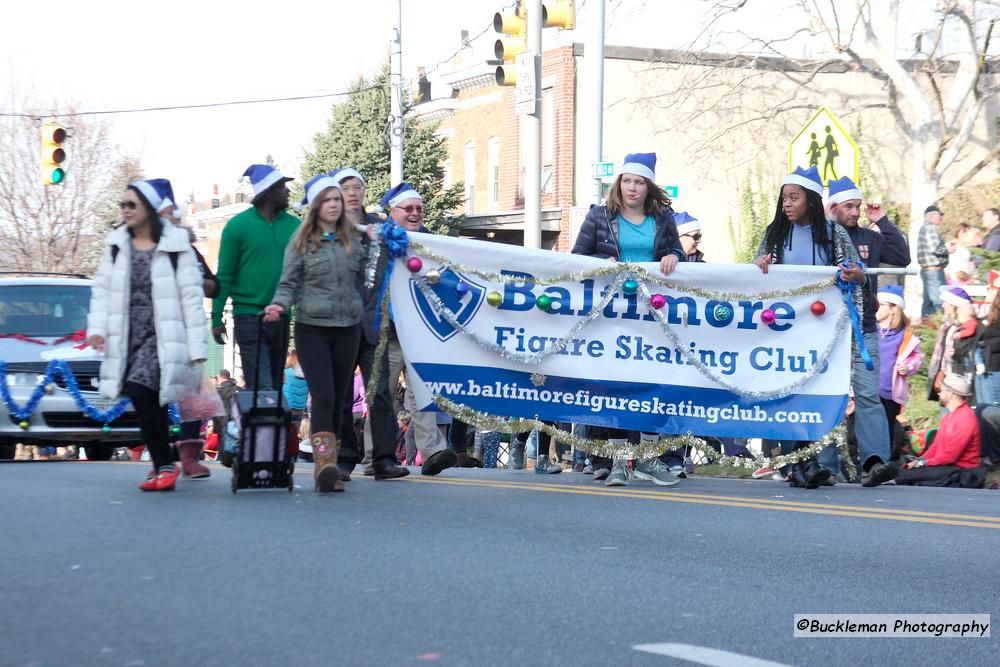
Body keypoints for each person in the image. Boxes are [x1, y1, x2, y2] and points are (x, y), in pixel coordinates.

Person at [265, 174, 408, 492]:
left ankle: (345, 460)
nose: (334, 204)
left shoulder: (355, 239)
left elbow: (378, 273)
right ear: (316, 207)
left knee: (342, 398)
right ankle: (326, 463)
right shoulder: (302, 242)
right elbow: (288, 283)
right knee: (327, 396)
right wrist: (277, 305)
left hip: (348, 330)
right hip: (312, 329)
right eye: (328, 200)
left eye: (337, 200)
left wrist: (381, 238)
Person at [571, 152, 684, 486]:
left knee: (651, 380)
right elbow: (577, 259)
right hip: (611, 311)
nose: (633, 188)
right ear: (618, 184)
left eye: (639, 182)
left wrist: (671, 256)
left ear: (649, 187)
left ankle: (649, 458)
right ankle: (619, 460)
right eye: (627, 181)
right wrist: (603, 261)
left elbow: (677, 252)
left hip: (651, 312)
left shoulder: (663, 219)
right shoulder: (599, 217)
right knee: (615, 382)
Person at [86, 179, 207, 492]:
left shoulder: (174, 244)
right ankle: (162, 464)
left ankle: (165, 465)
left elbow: (192, 296)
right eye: (122, 205)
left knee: (142, 393)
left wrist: (197, 346)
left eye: (131, 205)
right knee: (144, 398)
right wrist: (97, 329)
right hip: (128, 335)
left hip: (163, 334)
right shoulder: (117, 243)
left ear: (149, 210)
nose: (125, 210)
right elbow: (102, 289)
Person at [754, 166, 866, 488]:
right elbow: (757, 271)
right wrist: (761, 264)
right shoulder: (775, 233)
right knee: (793, 391)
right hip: (788, 326)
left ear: (812, 200)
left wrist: (853, 275)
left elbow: (858, 274)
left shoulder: (835, 234)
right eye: (784, 198)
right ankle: (802, 462)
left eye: (794, 198)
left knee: (815, 391)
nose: (787, 204)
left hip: (825, 325)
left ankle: (807, 462)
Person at [824, 176, 907, 485]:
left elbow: (900, 258)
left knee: (868, 396)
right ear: (832, 207)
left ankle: (874, 462)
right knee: (829, 396)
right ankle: (826, 465)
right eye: (849, 207)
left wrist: (882, 221)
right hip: (828, 330)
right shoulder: (822, 236)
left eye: (858, 207)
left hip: (864, 328)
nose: (855, 212)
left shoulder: (869, 237)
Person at [212, 164, 299, 390]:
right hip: (248, 317)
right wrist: (215, 317)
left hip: (281, 317)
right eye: (282, 187)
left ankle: (263, 423)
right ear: (268, 192)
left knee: (273, 385)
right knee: (261, 384)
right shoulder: (237, 227)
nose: (288, 191)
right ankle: (258, 423)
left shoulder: (295, 226)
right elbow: (225, 275)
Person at [898, 373, 980, 484]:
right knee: (903, 467)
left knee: (906, 475)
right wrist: (919, 460)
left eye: (942, 390)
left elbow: (950, 457)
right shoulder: (948, 416)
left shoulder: (965, 419)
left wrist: (922, 464)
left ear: (951, 394)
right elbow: (935, 447)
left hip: (960, 470)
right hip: (945, 465)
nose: (939, 393)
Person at [875, 285, 923, 459]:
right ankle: (860, 466)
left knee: (887, 430)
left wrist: (907, 366)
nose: (875, 307)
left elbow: (917, 358)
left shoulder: (905, 335)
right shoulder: (869, 330)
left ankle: (884, 465)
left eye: (879, 304)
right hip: (866, 389)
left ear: (893, 308)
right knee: (859, 429)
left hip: (890, 392)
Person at [926, 286, 973, 401]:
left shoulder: (966, 328)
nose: (943, 305)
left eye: (945, 302)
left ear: (954, 306)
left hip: (959, 380)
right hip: (946, 379)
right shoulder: (947, 326)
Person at [917, 205, 949, 325]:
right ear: (931, 216)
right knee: (939, 302)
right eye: (939, 215)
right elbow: (935, 248)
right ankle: (938, 331)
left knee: (928, 303)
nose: (941, 218)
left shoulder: (923, 228)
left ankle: (926, 331)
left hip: (927, 270)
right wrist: (948, 249)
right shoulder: (930, 228)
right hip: (934, 271)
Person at [974, 271, 1000, 406]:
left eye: (991, 290)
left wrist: (987, 344)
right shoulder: (987, 313)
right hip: (984, 366)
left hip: (995, 368)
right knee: (982, 411)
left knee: (992, 410)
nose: (988, 292)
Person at [282, 350, 309, 433]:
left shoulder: (286, 371)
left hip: (286, 405)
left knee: (283, 432)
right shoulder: (307, 372)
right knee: (294, 434)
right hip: (300, 408)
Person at [213, 369, 238, 440]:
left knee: (221, 446)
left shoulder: (217, 391)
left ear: (220, 378)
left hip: (221, 424)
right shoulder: (238, 389)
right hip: (235, 423)